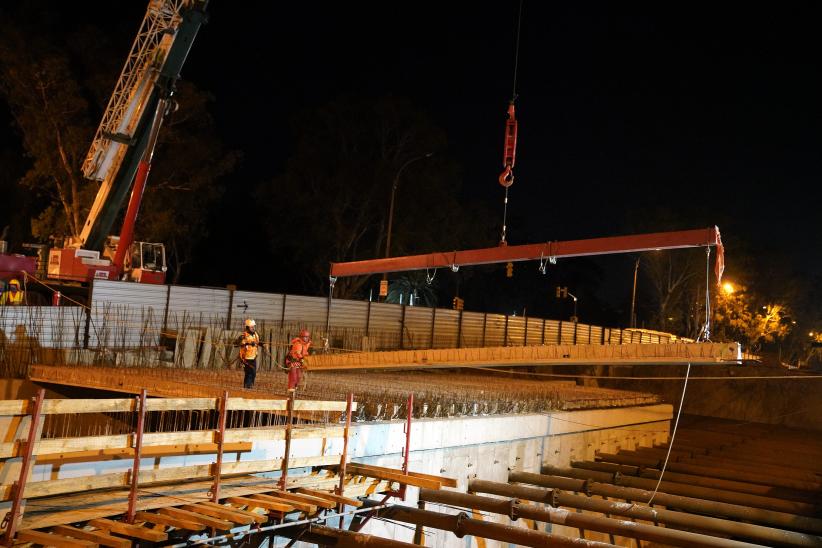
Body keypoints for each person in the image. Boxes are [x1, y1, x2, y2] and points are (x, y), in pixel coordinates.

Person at [236, 318, 263, 389]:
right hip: (246, 357)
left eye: (254, 326)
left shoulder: (256, 334)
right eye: (252, 327)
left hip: (253, 357)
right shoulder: (243, 335)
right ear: (247, 327)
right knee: (249, 372)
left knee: (253, 373)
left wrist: (263, 344)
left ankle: (249, 386)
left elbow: (258, 342)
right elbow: (236, 344)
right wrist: (248, 343)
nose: (253, 328)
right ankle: (247, 387)